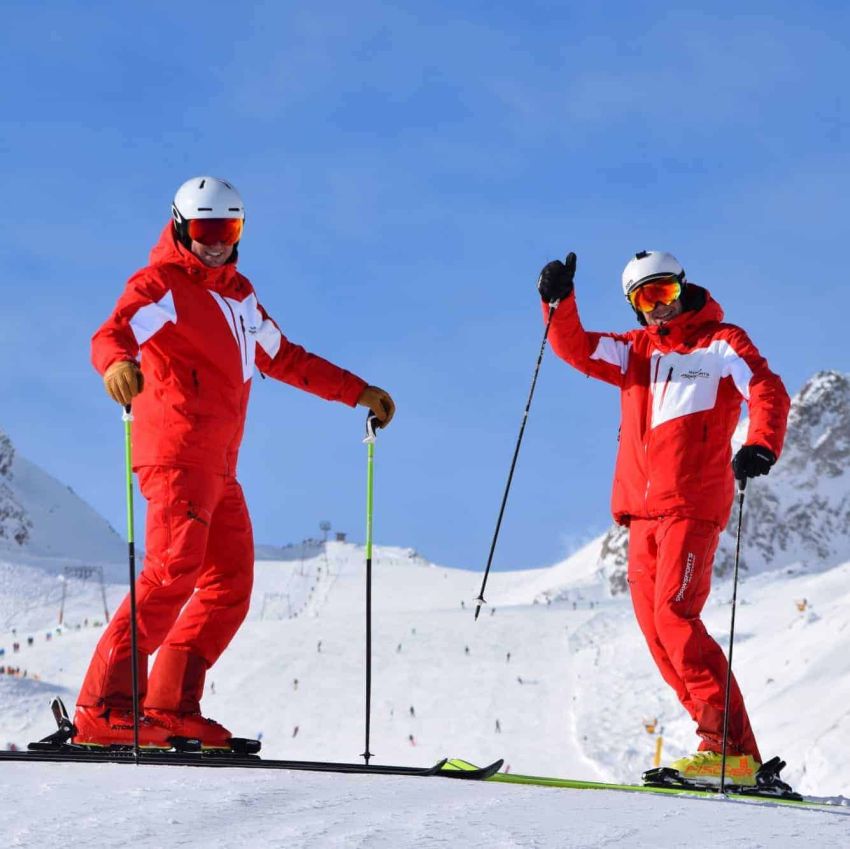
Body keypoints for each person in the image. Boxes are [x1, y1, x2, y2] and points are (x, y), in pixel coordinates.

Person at [75, 176, 395, 749]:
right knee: (172, 573)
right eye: (205, 230)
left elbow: (286, 358)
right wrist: (117, 366)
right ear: (181, 227)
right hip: (175, 454)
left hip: (220, 467)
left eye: (229, 229)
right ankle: (106, 707)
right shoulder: (163, 286)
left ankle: (169, 705)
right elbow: (113, 330)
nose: (217, 241)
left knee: (230, 584)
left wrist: (357, 392)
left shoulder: (240, 297)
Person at [537, 250, 789, 785]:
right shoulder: (634, 354)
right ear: (633, 306)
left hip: (692, 503)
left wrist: (761, 443)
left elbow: (765, 387)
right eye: (645, 298)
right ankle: (736, 756)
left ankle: (723, 749)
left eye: (665, 293)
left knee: (676, 616)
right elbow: (576, 348)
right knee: (657, 633)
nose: (658, 308)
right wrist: (557, 302)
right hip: (641, 513)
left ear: (682, 287)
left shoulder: (720, 342)